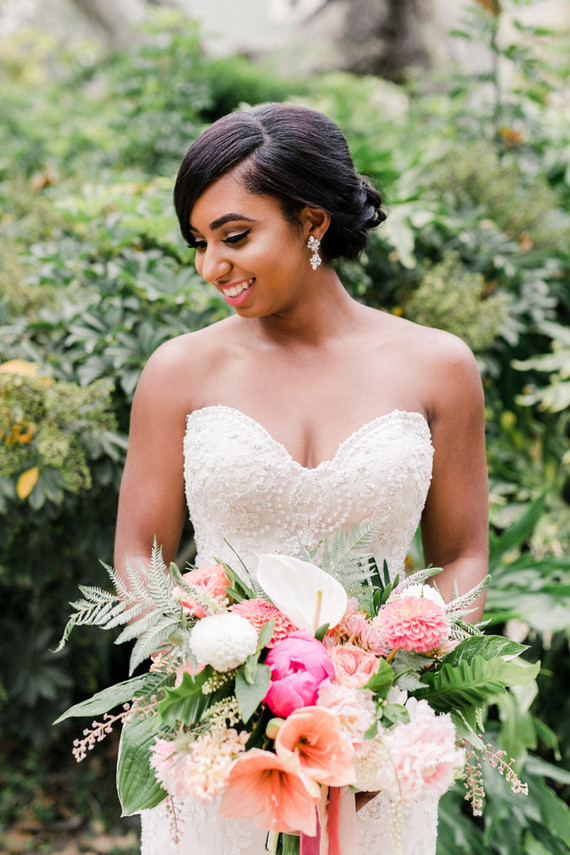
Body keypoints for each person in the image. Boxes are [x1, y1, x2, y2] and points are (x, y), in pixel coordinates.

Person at [114, 102, 489, 855]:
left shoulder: (438, 366)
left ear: (312, 222)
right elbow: (135, 557)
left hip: (374, 754)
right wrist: (209, 670)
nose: (209, 266)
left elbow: (465, 557)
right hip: (220, 745)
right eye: (198, 242)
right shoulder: (179, 372)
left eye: (235, 237)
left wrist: (387, 691)